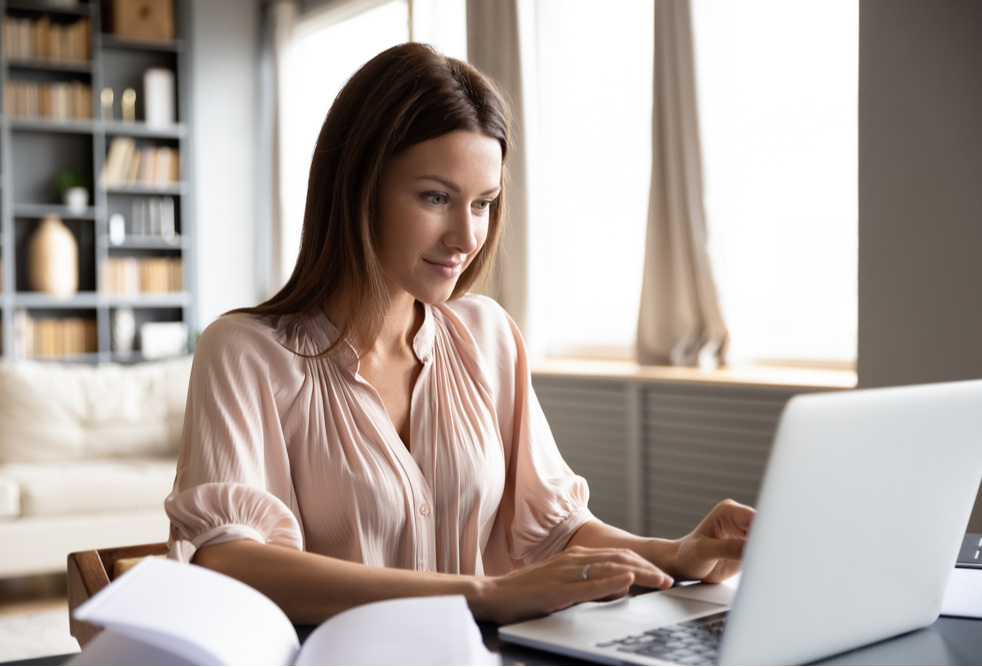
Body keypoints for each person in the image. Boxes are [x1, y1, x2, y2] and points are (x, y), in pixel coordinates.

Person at [165, 42, 753, 626]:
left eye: (484, 203)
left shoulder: (488, 335)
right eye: (436, 197)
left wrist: (676, 555)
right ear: (358, 186)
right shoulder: (244, 352)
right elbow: (233, 563)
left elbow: (555, 531)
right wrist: (482, 593)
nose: (466, 237)